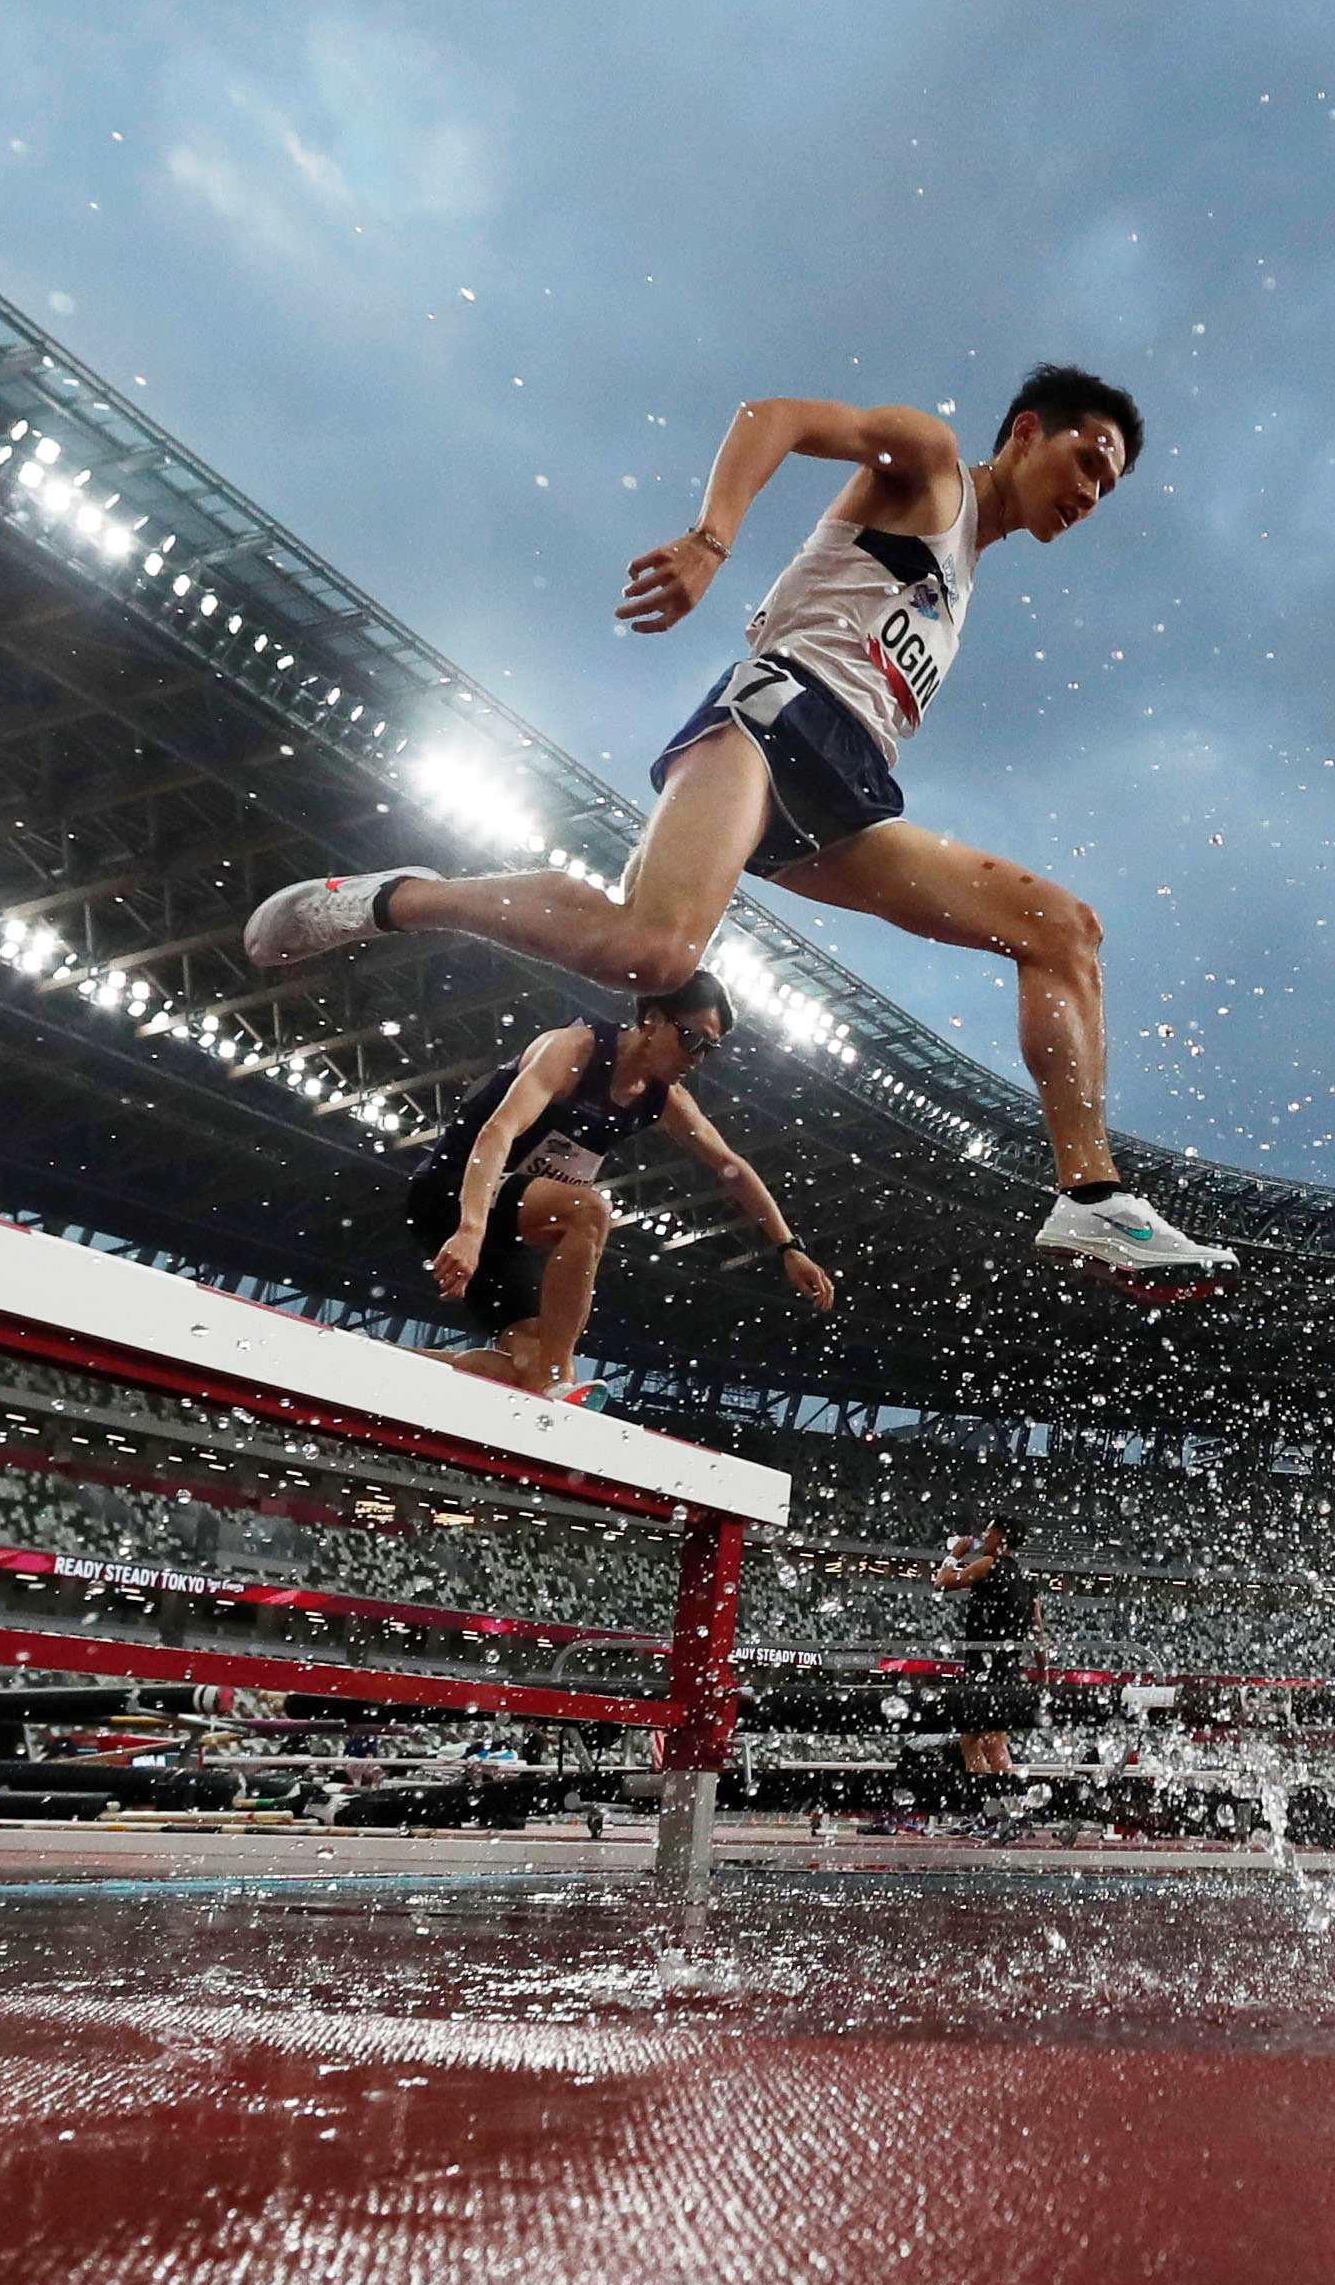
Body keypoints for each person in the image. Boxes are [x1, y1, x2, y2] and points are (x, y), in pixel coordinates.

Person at [246, 364, 1235, 1293]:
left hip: (849, 785)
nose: (1093, 494)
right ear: (1028, 432)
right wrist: (710, 541)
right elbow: (777, 416)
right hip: (769, 722)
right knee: (652, 948)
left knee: (1062, 928)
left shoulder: (967, 576)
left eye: (1111, 489)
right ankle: (396, 898)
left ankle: (1091, 1197)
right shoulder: (934, 465)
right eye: (1090, 462)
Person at [409, 972, 834, 1396]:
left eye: (710, 1048)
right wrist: (470, 1228)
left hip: (506, 1230)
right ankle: (557, 1380)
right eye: (692, 1039)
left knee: (528, 1368)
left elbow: (731, 1166)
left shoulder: (663, 1097)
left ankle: (386, 1361)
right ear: (652, 1018)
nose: (697, 1058)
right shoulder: (572, 1050)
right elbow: (497, 1132)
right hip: (453, 1191)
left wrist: (788, 1246)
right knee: (589, 1212)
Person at [933, 1517, 1043, 1781]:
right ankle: (986, 1805)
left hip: (986, 1666)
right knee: (970, 1740)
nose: (983, 1536)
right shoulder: (1026, 1578)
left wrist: (954, 1555)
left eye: (988, 1532)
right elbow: (1037, 1629)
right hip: (1007, 1667)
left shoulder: (989, 1564)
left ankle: (1008, 1802)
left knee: (993, 1740)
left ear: (1000, 1538)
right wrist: (1044, 1672)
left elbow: (941, 1583)